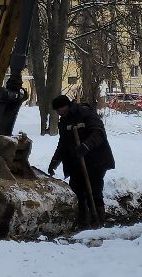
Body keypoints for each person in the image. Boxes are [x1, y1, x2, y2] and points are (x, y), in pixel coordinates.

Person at [47, 94, 114, 226]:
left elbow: (98, 132)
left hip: (96, 160)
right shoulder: (64, 121)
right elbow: (63, 144)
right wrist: (55, 161)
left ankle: (98, 220)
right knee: (77, 190)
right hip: (77, 162)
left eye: (59, 110)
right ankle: (83, 221)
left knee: (94, 191)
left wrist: (86, 146)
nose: (58, 114)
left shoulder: (85, 113)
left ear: (65, 106)